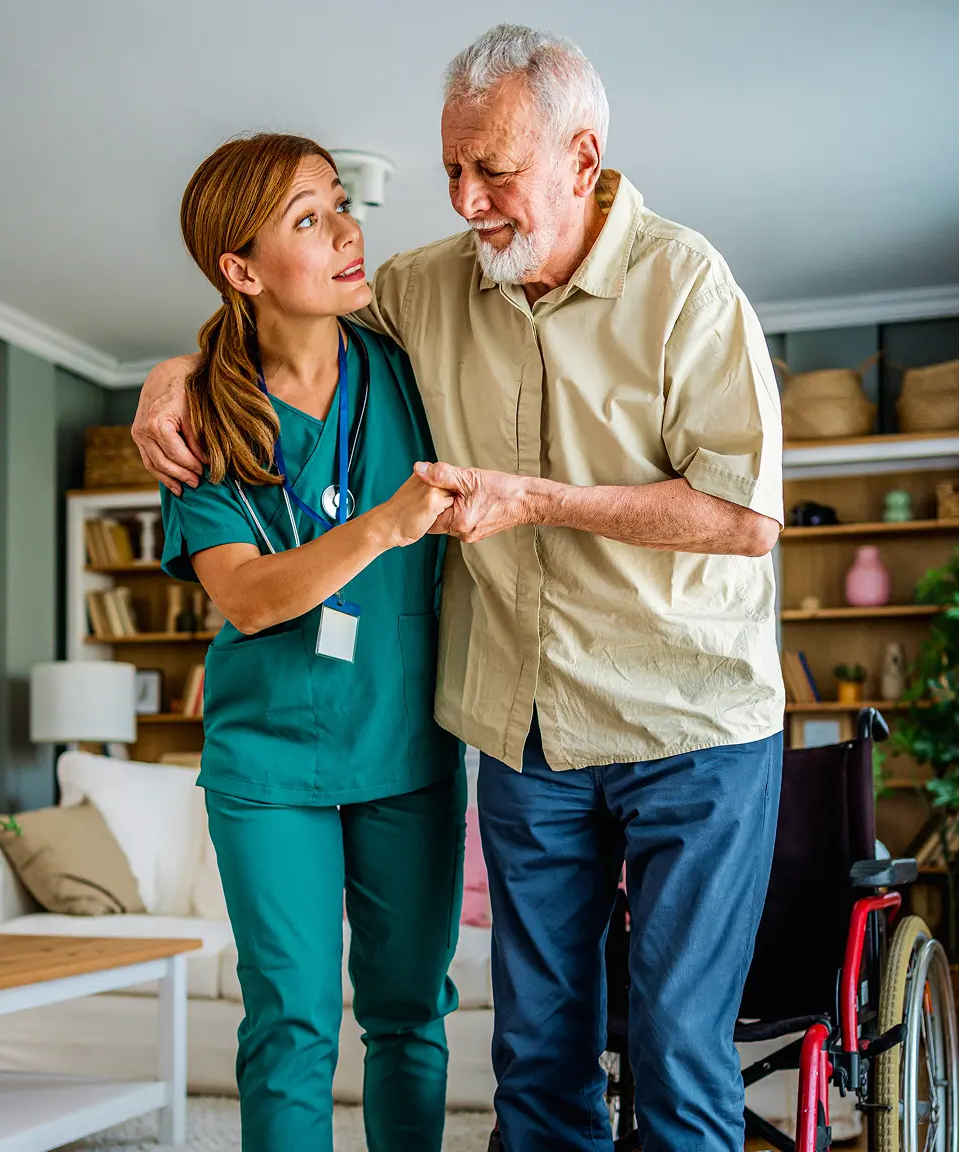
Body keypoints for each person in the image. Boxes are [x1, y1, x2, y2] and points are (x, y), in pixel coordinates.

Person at [135, 25, 786, 1152]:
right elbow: (274, 329)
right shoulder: (424, 297)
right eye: (451, 169)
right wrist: (173, 370)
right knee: (531, 1063)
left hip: (683, 723)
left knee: (672, 1061)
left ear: (582, 158)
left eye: (493, 170)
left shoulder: (682, 284)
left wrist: (536, 498)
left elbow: (744, 519)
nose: (464, 200)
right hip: (521, 732)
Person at [158, 132, 465, 1152]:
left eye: (341, 202)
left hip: (406, 748)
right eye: (307, 218)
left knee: (409, 1019)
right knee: (289, 1025)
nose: (347, 229)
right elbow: (244, 596)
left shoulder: (411, 366)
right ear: (240, 272)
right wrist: (382, 523)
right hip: (269, 763)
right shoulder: (201, 417)